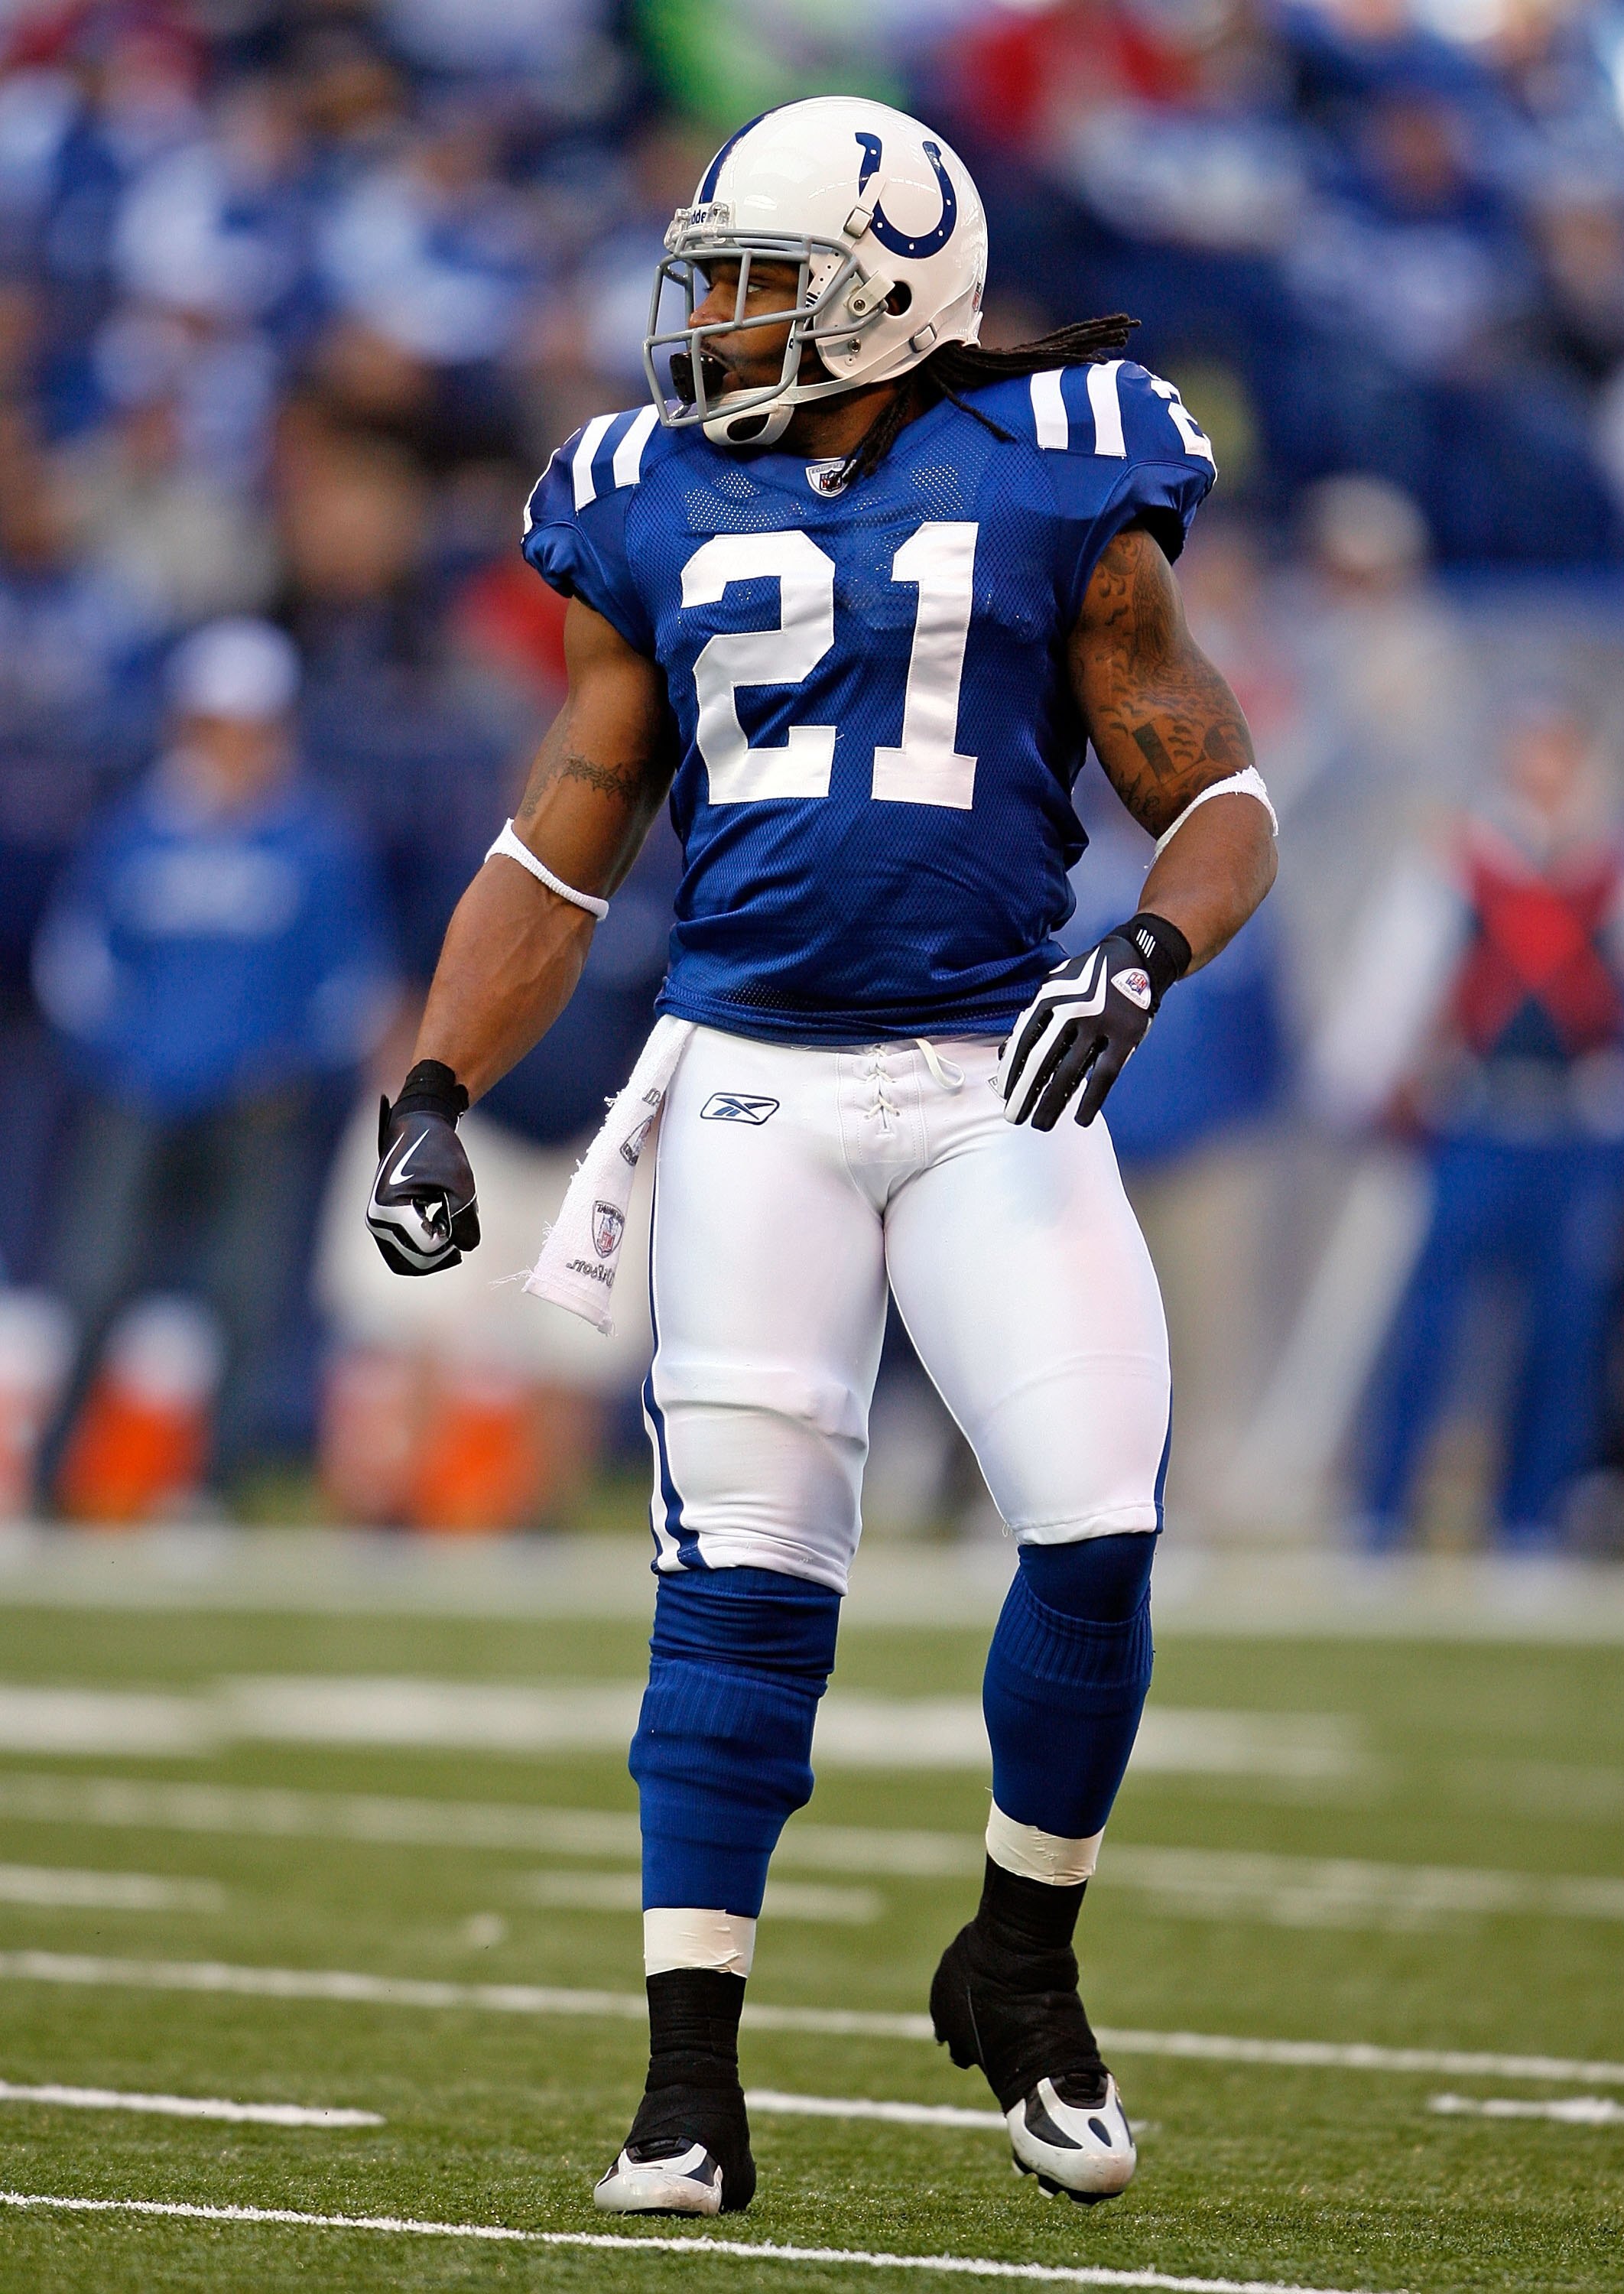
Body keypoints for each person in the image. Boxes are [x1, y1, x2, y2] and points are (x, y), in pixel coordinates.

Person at [365, 99, 1277, 2214]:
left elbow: (1217, 792)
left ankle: (1021, 1958)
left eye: (762, 282)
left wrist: (1139, 958)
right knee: (740, 1593)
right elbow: (564, 828)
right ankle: (688, 2084)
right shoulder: (642, 493)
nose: (717, 325)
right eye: (713, 280)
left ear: (891, 291)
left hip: (987, 1076)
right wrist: (431, 1083)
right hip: (753, 1090)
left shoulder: (1062, 466)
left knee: (1090, 1527)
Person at [34, 616, 394, 1497]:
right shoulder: (134, 831)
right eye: (215, 722)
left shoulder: (315, 840)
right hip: (136, 1093)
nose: (232, 743)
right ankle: (51, 1480)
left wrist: (284, 1064)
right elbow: (75, 960)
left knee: (244, 1297)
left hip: (254, 1102)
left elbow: (352, 982)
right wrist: (123, 1056)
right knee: (93, 1281)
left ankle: (210, 1488)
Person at [1314, 700, 1624, 1549]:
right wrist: (1358, 1079)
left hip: (1576, 1126)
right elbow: (1395, 975)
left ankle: (1531, 1520)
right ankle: (1382, 1514)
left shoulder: (1622, 869)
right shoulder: (1463, 860)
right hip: (1476, 1118)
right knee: (1430, 1325)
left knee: (1564, 1333)